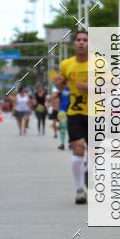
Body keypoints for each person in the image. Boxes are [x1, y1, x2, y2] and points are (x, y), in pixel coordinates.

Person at [54, 29, 89, 204]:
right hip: (75, 113)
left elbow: (111, 87)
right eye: (79, 40)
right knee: (78, 148)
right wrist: (59, 85)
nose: (82, 43)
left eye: (85, 40)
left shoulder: (99, 64)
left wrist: (90, 88)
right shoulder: (66, 64)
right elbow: (62, 88)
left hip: (96, 113)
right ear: (74, 44)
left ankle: (88, 170)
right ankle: (80, 190)